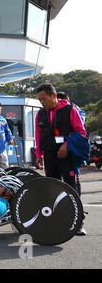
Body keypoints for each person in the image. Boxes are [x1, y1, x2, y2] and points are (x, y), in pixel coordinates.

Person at [35, 83, 87, 235]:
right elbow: (39, 135)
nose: (42, 102)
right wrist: (39, 154)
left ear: (54, 96)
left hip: (68, 156)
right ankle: (55, 221)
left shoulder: (71, 110)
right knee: (52, 189)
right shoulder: (41, 113)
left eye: (44, 98)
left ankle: (78, 223)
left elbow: (80, 131)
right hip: (50, 156)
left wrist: (66, 145)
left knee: (72, 188)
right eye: (39, 100)